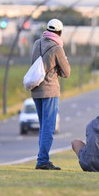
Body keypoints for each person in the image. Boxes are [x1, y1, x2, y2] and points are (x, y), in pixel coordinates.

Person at [31, 19, 71, 170]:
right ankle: (42, 160)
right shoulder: (57, 48)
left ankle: (42, 158)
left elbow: (35, 64)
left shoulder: (37, 43)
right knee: (49, 127)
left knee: (43, 126)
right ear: (60, 32)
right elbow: (66, 72)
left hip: (36, 89)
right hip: (50, 90)